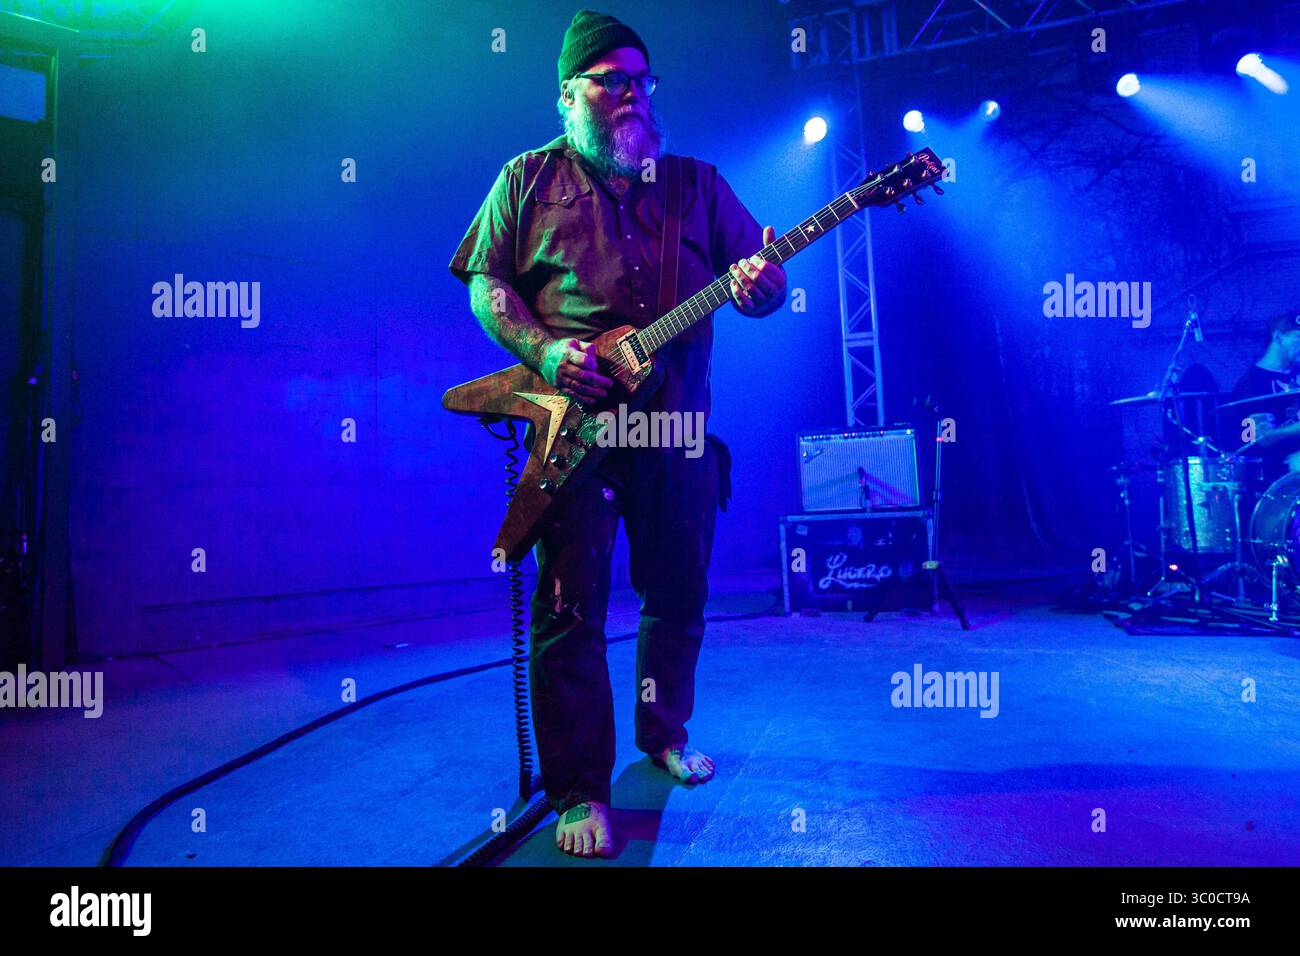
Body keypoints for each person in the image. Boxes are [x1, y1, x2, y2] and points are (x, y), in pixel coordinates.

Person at [448, 9, 786, 858]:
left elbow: (763, 287)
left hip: (676, 431)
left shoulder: (698, 186)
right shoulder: (524, 179)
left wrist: (764, 284)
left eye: (642, 79)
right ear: (570, 95)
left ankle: (663, 734)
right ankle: (579, 791)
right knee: (571, 608)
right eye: (612, 80)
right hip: (577, 430)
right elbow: (486, 284)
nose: (632, 93)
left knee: (679, 595)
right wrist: (547, 352)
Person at [1231, 311, 1300, 472]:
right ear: (1278, 337)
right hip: (1279, 476)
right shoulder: (1251, 384)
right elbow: (1261, 438)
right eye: (1298, 337)